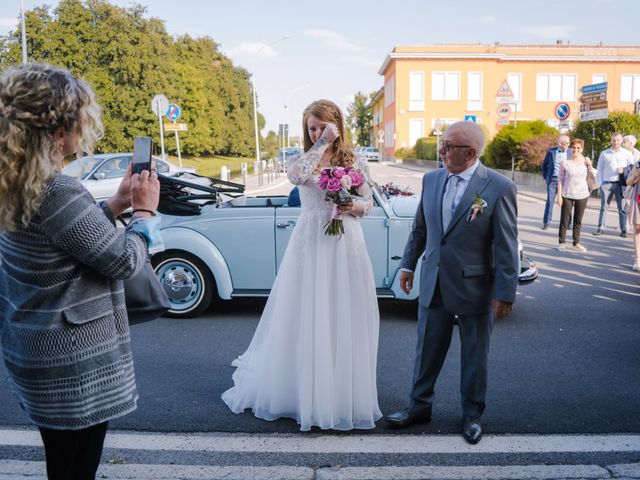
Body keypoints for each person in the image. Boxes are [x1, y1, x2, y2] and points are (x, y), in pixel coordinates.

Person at [0, 63, 160, 480]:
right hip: (73, 361)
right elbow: (123, 261)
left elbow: (63, 241)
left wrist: (118, 203)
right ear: (58, 131)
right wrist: (145, 211)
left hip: (35, 347)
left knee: (62, 462)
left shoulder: (16, 182)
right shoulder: (57, 190)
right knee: (76, 467)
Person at [222, 99, 381, 431]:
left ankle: (338, 393)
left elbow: (370, 203)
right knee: (306, 310)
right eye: (312, 127)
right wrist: (321, 143)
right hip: (311, 241)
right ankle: (300, 391)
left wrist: (349, 204)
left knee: (341, 312)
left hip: (345, 242)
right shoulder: (301, 159)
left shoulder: (355, 161)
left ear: (338, 125)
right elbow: (296, 177)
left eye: (323, 126)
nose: (317, 132)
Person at [385, 121, 518, 445]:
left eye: (448, 145)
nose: (441, 150)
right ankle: (418, 407)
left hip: (474, 286)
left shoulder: (498, 187)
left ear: (470, 153)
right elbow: (421, 229)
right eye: (441, 143)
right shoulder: (431, 180)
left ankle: (472, 416)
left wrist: (505, 293)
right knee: (426, 350)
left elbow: (506, 245)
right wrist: (407, 267)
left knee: (474, 355)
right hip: (434, 281)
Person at [594, 132, 634, 237]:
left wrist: (624, 169)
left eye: (618, 140)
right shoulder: (604, 153)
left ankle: (624, 230)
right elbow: (599, 169)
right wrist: (600, 184)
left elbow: (632, 169)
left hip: (621, 184)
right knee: (604, 207)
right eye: (614, 140)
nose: (615, 142)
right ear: (611, 141)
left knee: (622, 209)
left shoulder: (627, 153)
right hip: (606, 184)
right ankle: (600, 228)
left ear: (621, 141)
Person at [556, 139, 593, 253]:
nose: (576, 150)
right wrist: (559, 196)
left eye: (578, 148)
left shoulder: (586, 161)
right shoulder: (565, 162)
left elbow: (592, 174)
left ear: (582, 149)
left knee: (578, 220)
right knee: (565, 220)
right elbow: (560, 179)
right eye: (573, 147)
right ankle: (562, 242)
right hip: (567, 193)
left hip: (583, 194)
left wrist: (590, 164)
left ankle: (576, 243)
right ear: (570, 148)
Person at [541, 134, 571, 230]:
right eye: (566, 143)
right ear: (560, 143)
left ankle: (568, 223)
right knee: (550, 201)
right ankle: (546, 223)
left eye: (568, 142)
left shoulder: (570, 152)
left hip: (565, 181)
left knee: (566, 202)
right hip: (553, 180)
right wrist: (545, 177)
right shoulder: (551, 152)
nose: (568, 144)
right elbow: (544, 165)